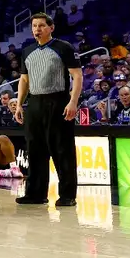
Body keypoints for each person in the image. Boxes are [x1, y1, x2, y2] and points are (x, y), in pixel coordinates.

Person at [16, 12, 81, 207]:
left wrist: (73, 101)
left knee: (62, 149)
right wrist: (19, 103)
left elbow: (77, 76)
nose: (37, 29)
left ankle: (68, 195)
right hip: (35, 102)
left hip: (58, 100)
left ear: (51, 28)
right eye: (34, 26)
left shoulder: (63, 48)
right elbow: (24, 80)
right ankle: (35, 193)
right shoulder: (27, 51)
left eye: (42, 25)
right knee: (34, 149)